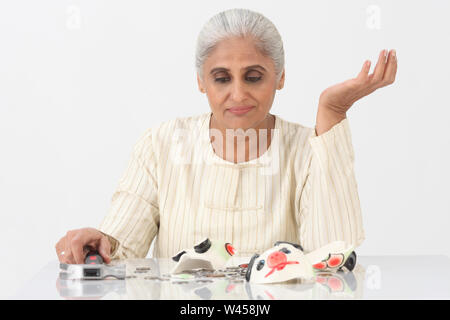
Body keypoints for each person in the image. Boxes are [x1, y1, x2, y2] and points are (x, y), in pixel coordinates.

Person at [55, 8, 397, 264]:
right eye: (221, 78)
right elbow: (121, 250)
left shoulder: (307, 149)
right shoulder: (160, 145)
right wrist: (98, 244)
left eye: (253, 77)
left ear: (280, 77)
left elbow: (332, 258)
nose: (238, 94)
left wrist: (332, 113)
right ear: (201, 81)